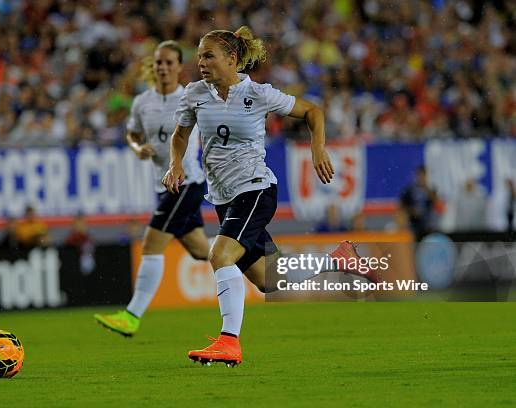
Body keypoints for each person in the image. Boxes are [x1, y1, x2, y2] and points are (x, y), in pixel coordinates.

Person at [163, 27, 377, 367]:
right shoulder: (195, 94)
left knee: (220, 255)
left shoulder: (258, 94)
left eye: (208, 56)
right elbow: (180, 135)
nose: (200, 62)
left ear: (231, 59)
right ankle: (339, 258)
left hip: (256, 188)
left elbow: (313, 112)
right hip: (223, 198)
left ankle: (229, 342)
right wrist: (175, 164)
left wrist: (318, 148)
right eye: (199, 56)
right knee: (270, 280)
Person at [94, 41, 209, 336]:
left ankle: (131, 316)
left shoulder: (189, 97)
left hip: (187, 183)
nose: (163, 67)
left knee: (151, 244)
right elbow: (131, 132)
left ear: (179, 67)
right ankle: (258, 260)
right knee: (202, 252)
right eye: (159, 62)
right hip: (164, 186)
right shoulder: (142, 102)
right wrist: (136, 147)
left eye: (169, 62)